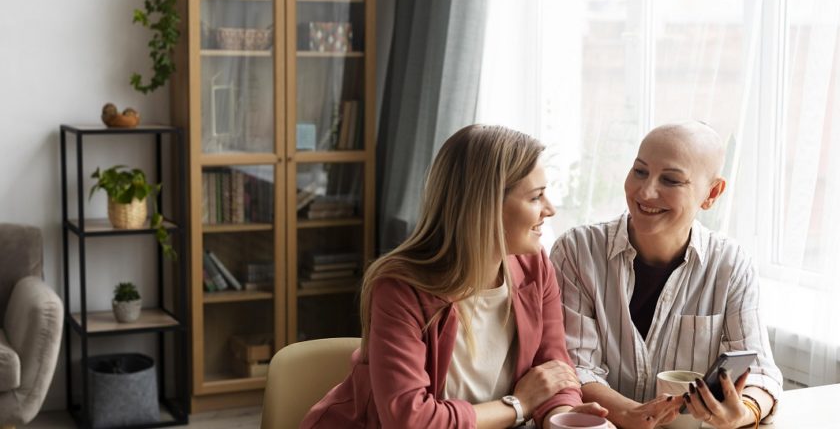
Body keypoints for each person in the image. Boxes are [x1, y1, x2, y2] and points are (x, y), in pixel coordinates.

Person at [302, 124, 611, 428]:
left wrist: (563, 417)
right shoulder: (399, 288)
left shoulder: (535, 267)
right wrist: (518, 405)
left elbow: (554, 370)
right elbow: (410, 420)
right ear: (486, 206)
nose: (550, 209)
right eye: (535, 197)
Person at [551, 121, 783, 429]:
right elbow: (573, 366)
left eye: (671, 180)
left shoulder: (731, 263)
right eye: (640, 171)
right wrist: (628, 414)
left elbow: (761, 373)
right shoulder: (576, 251)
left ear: (712, 193)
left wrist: (745, 411)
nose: (646, 192)